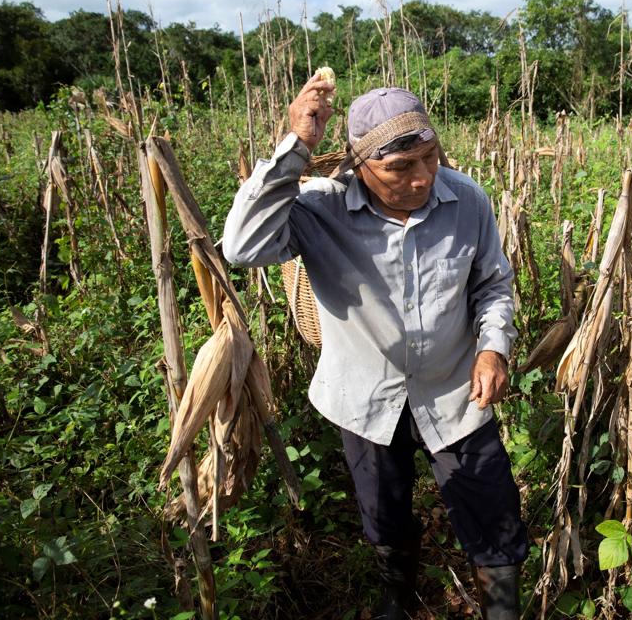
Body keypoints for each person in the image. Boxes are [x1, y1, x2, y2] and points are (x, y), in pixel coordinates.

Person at [221, 74, 528, 619]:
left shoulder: (468, 201)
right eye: (399, 168)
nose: (422, 179)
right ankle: (398, 599)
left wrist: (493, 348)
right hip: (366, 399)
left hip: (456, 393)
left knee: (494, 518)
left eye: (430, 158)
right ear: (360, 166)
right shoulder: (321, 209)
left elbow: (492, 285)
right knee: (384, 517)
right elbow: (243, 248)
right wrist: (298, 147)